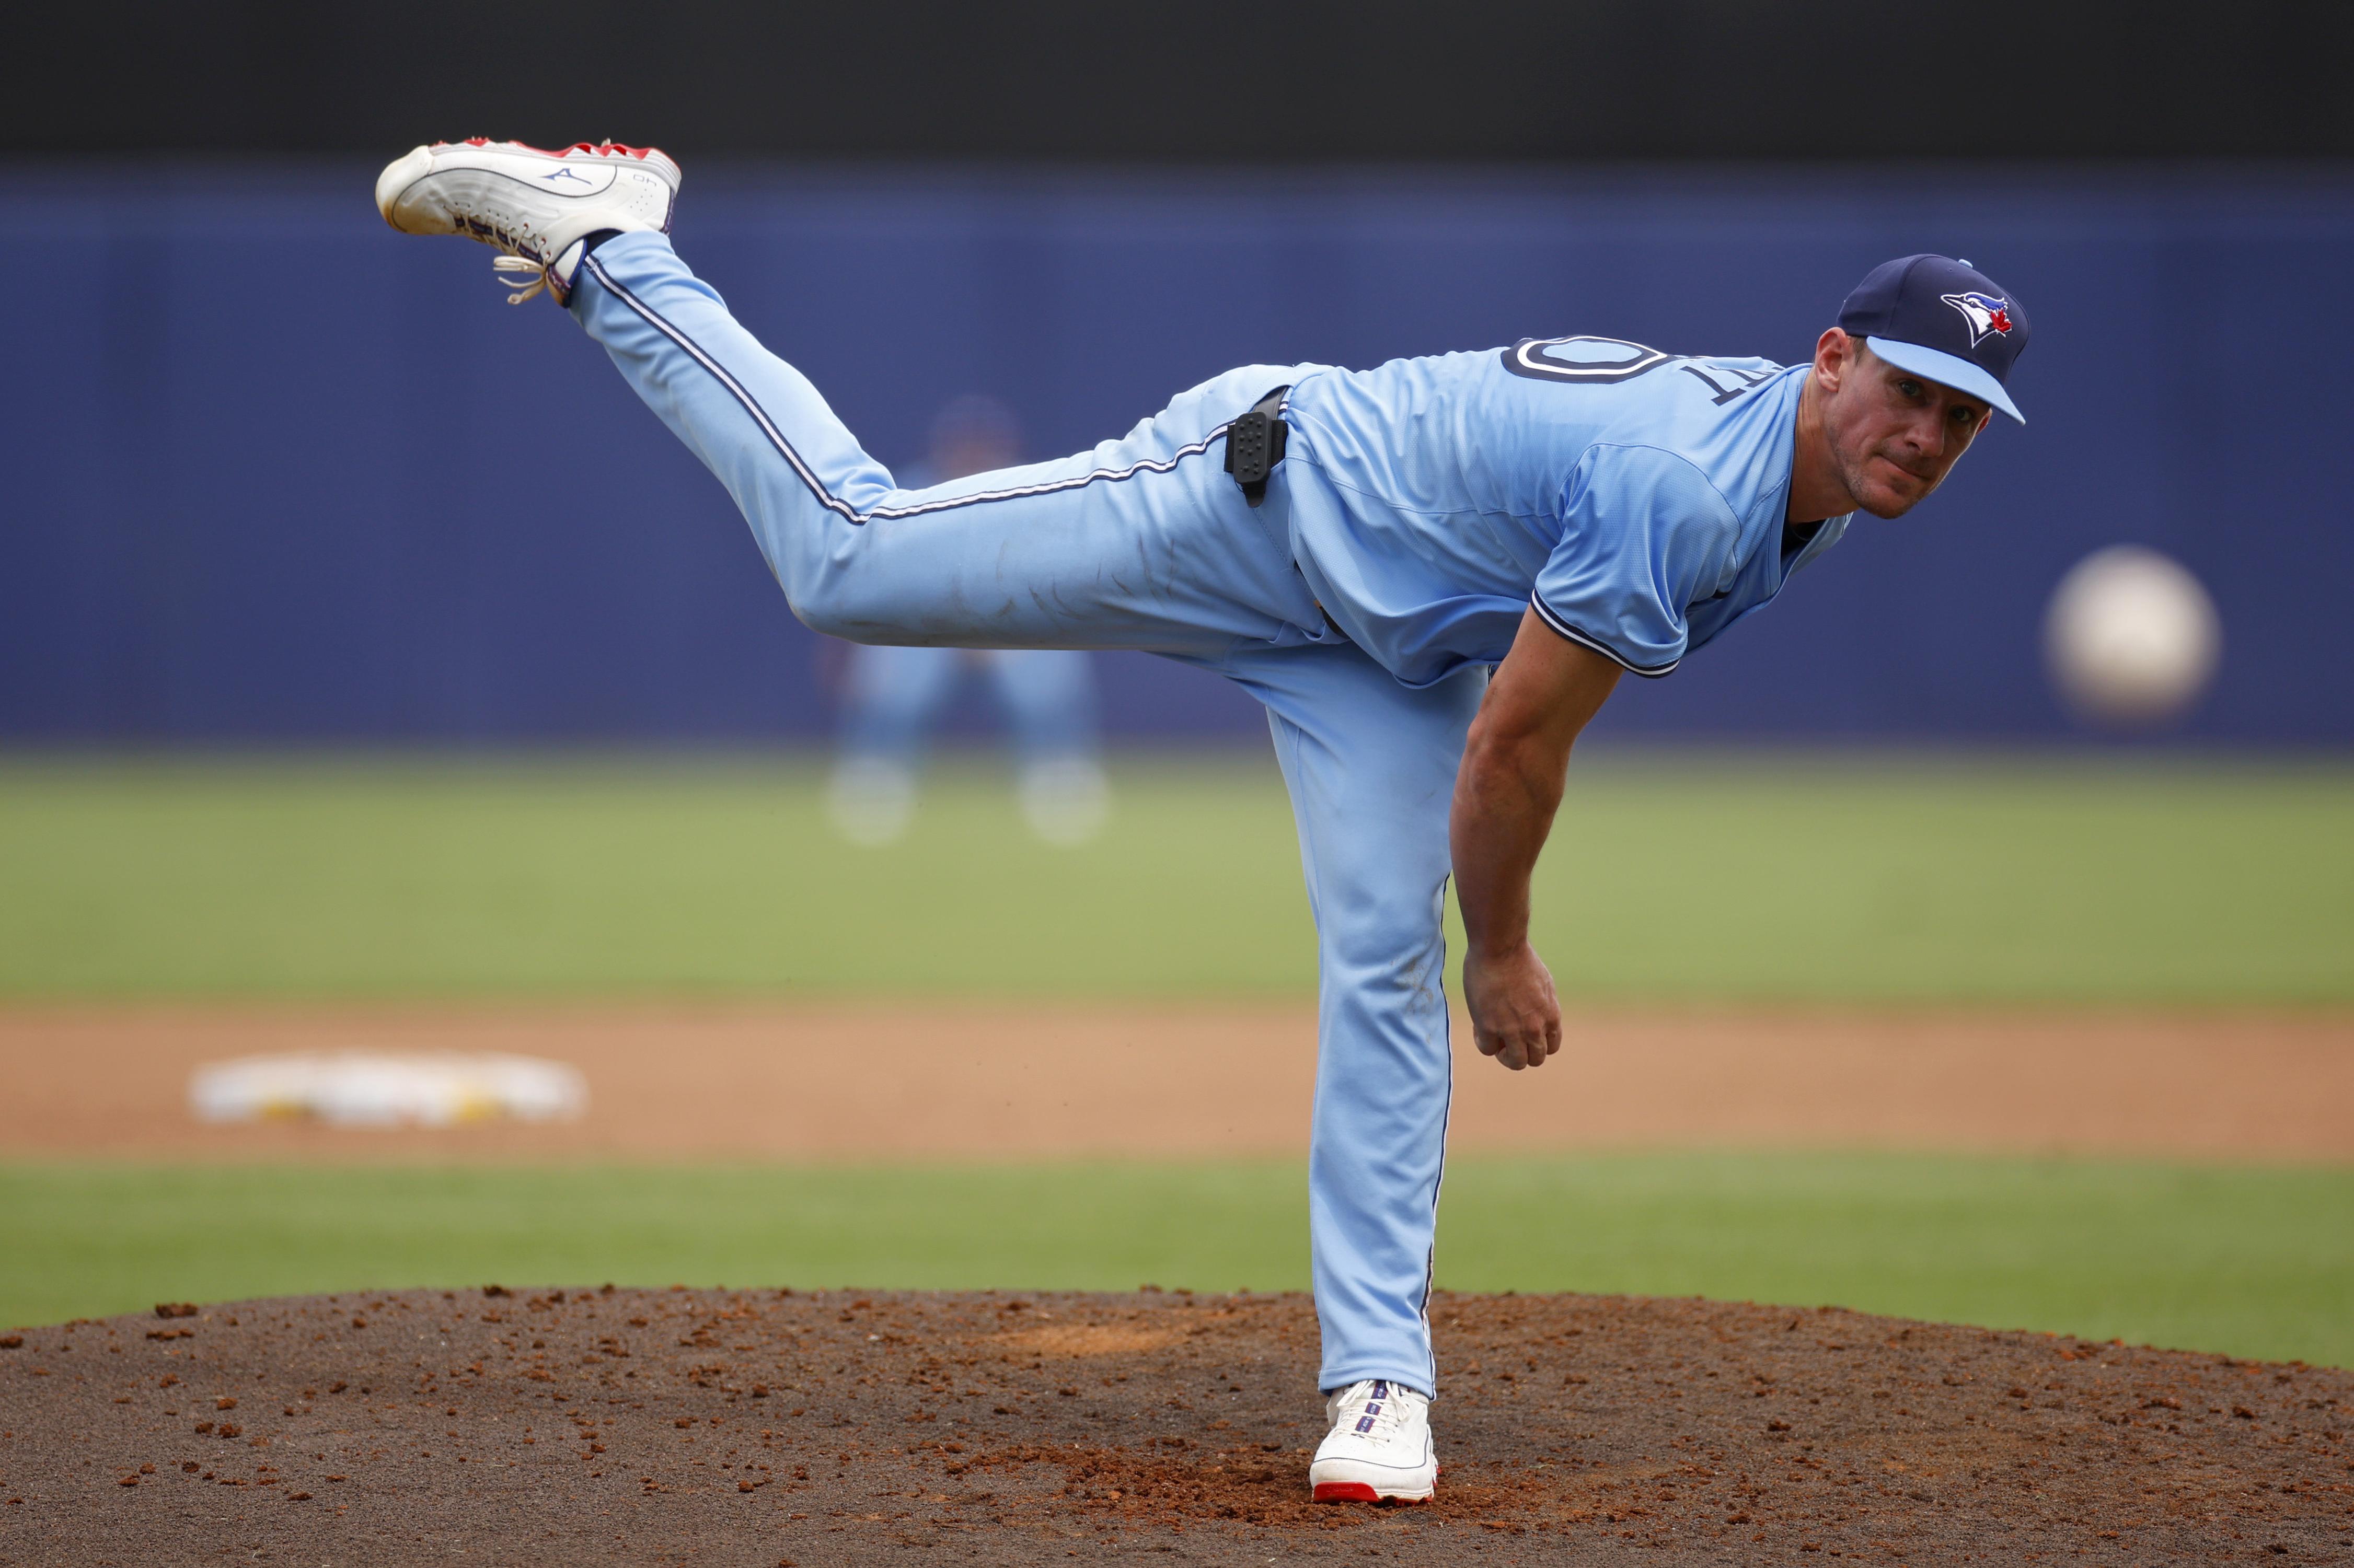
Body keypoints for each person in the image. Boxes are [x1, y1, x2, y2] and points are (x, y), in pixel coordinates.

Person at [376, 138, 2030, 1504]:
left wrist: (1469, 931)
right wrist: (1510, 946)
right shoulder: (1693, 485)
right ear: (1829, 359)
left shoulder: (1781, 480)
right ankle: (614, 247)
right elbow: (1514, 753)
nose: (1925, 432)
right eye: (1907, 387)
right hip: (1251, 499)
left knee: (1384, 949)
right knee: (850, 558)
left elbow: (1497, 706)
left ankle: (1379, 1385)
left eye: (1959, 417)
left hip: (1376, 649)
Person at [826, 395, 1111, 847]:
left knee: (1048, 666)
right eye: (965, 449)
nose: (973, 458)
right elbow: (878, 583)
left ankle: (1059, 775)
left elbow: (1051, 580)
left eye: (984, 449)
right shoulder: (913, 494)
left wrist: (989, 631)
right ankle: (877, 777)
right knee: (894, 676)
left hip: (1007, 621)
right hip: (925, 625)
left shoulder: (1030, 491)